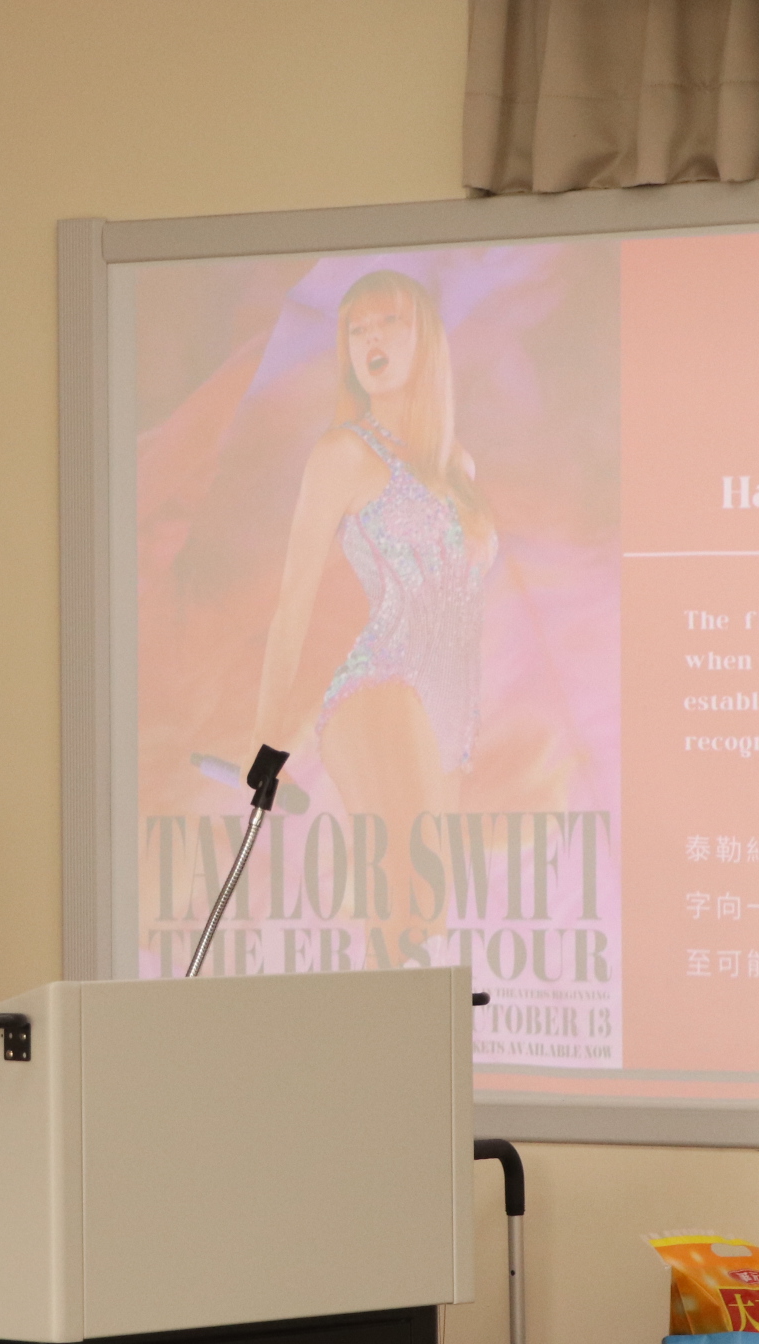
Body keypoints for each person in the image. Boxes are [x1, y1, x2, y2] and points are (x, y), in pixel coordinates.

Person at [253, 269, 497, 944]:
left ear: (427, 339)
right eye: (356, 330)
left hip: (451, 711)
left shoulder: (458, 467)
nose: (371, 339)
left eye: (389, 321)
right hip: (382, 685)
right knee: (410, 900)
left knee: (417, 923)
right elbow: (293, 601)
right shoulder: (343, 453)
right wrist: (266, 739)